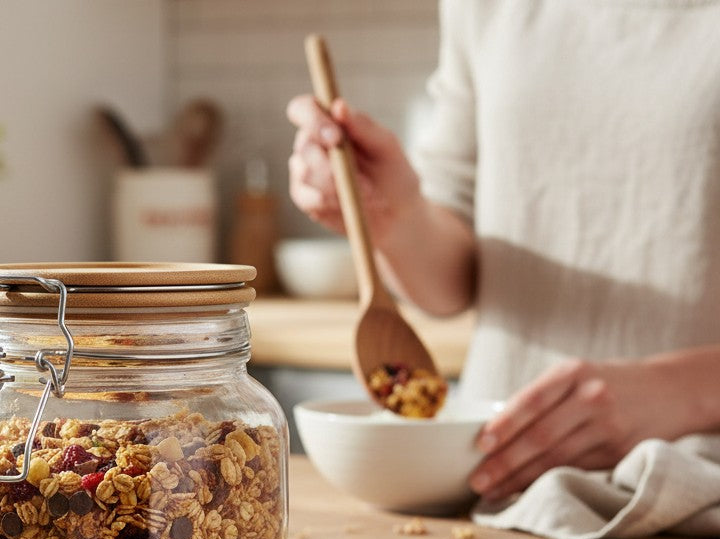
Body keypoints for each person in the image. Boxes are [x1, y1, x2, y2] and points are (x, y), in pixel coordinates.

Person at [286, 0, 720, 505]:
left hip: (694, 493)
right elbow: (452, 282)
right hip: (499, 489)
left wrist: (691, 391)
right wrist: (391, 215)